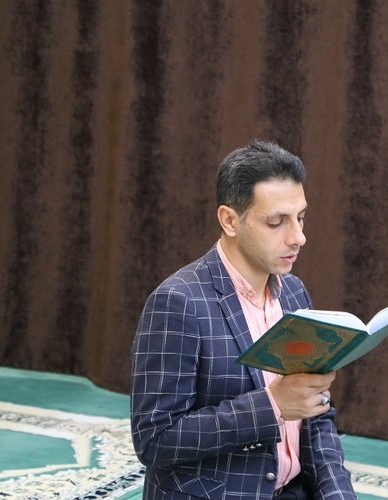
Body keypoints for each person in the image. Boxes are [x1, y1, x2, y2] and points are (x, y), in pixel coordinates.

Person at [130, 140, 356, 499]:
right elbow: (154, 440)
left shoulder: (294, 293)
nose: (298, 237)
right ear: (230, 220)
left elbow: (317, 415)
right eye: (276, 222)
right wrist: (273, 405)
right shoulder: (177, 302)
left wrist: (338, 495)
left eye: (300, 218)